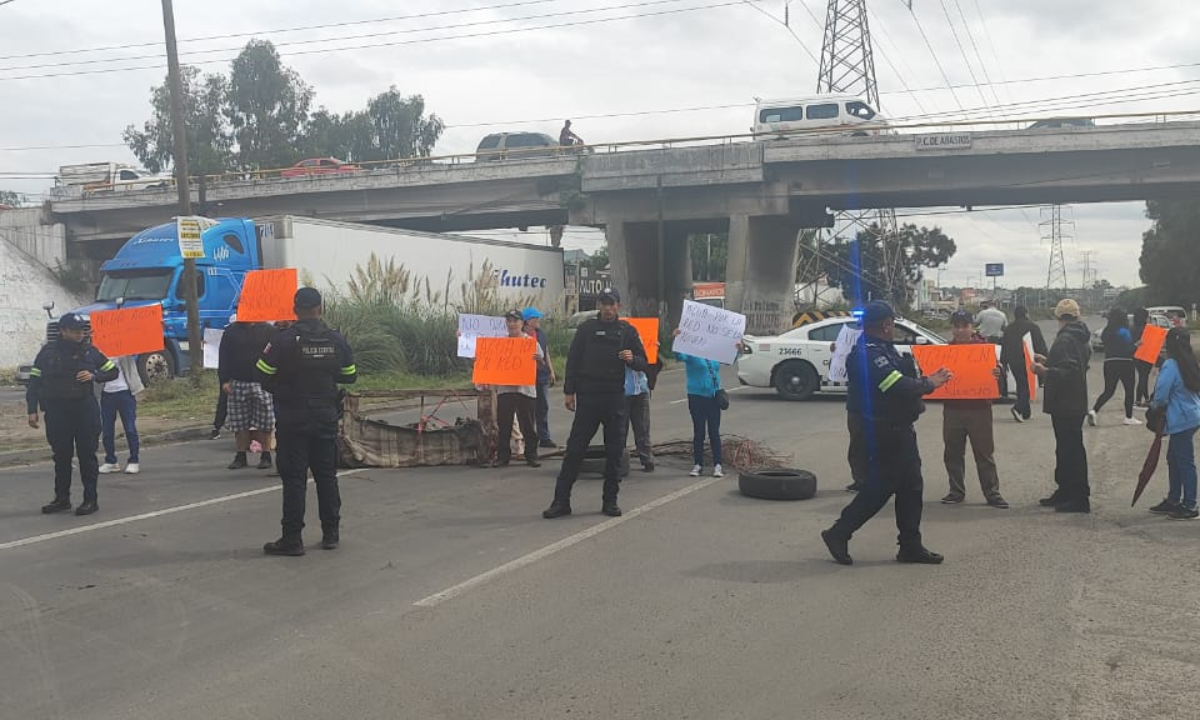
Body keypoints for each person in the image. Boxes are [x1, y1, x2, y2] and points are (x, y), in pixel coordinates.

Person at [820, 301, 952, 566]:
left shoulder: (882, 348)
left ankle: (910, 546)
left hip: (900, 427)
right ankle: (839, 532)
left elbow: (902, 378)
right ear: (887, 325)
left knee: (911, 487)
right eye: (892, 324)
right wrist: (929, 383)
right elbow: (895, 385)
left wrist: (924, 379)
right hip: (885, 430)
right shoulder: (868, 353)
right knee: (881, 487)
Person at [254, 288, 357, 556]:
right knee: (326, 476)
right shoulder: (336, 339)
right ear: (320, 309)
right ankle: (331, 534)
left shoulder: (283, 340)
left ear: (295, 309)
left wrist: (284, 385)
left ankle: (292, 539)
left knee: (294, 479)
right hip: (324, 417)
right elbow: (350, 375)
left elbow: (263, 374)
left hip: (292, 418)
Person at [542, 287, 648, 520]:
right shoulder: (586, 329)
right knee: (574, 451)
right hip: (588, 397)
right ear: (599, 305)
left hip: (614, 398)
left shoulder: (627, 331)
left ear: (618, 306)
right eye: (604, 304)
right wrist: (569, 392)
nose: (608, 308)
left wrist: (633, 359)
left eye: (612, 304)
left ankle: (610, 501)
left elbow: (645, 362)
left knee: (614, 453)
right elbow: (573, 361)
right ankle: (561, 502)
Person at [25, 312, 119, 516]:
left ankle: (90, 500)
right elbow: (34, 383)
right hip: (57, 412)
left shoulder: (90, 352)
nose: (80, 334)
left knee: (87, 457)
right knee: (61, 457)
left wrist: (95, 375)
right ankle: (62, 498)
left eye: (82, 331)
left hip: (84, 411)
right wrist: (32, 410)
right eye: (75, 331)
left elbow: (113, 371)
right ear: (63, 331)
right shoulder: (47, 353)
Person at [939, 311, 1008, 508]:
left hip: (979, 409)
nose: (960, 330)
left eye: (965, 325)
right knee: (952, 452)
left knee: (984, 453)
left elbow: (1000, 376)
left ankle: (992, 493)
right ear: (952, 328)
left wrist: (998, 372)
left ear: (972, 327)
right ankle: (956, 491)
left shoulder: (985, 349)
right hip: (953, 409)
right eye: (956, 326)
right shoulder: (945, 351)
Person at [1031, 298, 1092, 514]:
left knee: (1070, 450)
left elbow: (1069, 372)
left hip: (1066, 403)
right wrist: (1047, 361)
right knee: (1068, 449)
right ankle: (1066, 491)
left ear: (1058, 318)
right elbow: (1073, 366)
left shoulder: (1065, 339)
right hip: (1075, 401)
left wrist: (1044, 371)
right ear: (1077, 316)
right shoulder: (1081, 336)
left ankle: (1077, 497)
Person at [1146, 327, 1200, 520]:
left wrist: (1152, 405)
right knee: (1175, 458)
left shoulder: (1171, 364)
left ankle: (1189, 505)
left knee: (1184, 461)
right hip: (1192, 415)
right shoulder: (1190, 361)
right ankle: (1174, 499)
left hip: (1181, 419)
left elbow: (1161, 394)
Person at [219, 315, 277, 470]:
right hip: (238, 382)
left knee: (265, 422)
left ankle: (265, 455)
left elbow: (275, 355)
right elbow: (223, 357)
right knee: (239, 423)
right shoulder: (231, 331)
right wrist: (224, 380)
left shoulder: (268, 330)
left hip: (262, 383)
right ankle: (240, 455)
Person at [489, 309, 543, 468]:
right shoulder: (500, 343)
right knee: (504, 425)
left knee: (528, 424)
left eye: (515, 321)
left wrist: (538, 360)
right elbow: (489, 361)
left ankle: (531, 455)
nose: (512, 324)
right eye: (509, 321)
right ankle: (503, 457)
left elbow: (541, 366)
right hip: (505, 390)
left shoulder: (530, 343)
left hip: (526, 390)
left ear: (522, 323)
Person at [672, 328, 727, 478]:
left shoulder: (714, 354)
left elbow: (730, 358)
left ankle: (718, 464)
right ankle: (698, 464)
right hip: (696, 396)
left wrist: (738, 350)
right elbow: (678, 355)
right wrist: (676, 340)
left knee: (714, 432)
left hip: (713, 396)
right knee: (699, 432)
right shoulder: (691, 353)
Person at [1089, 307, 1140, 427]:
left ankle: (1094, 410)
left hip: (1109, 362)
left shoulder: (1106, 332)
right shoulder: (1124, 331)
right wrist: (1137, 345)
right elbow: (1128, 349)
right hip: (1125, 362)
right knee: (1129, 390)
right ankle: (1129, 417)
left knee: (1109, 390)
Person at [834, 319, 868, 492]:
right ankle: (860, 479)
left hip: (876, 405)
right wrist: (837, 352)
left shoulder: (880, 344)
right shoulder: (852, 342)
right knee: (857, 444)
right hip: (856, 404)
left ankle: (874, 480)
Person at [1000, 305, 1048, 423]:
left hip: (1013, 361)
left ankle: (1026, 413)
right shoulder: (1032, 326)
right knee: (1026, 385)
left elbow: (1004, 345)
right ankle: (1018, 408)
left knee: (1021, 384)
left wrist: (1003, 361)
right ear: (1026, 313)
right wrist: (1045, 358)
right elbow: (1040, 343)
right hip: (1028, 359)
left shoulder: (1009, 328)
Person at [98, 355, 143, 475]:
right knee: (106, 429)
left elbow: (136, 352)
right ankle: (111, 460)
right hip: (107, 394)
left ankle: (134, 460)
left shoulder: (125, 351)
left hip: (125, 392)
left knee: (130, 428)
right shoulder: (99, 352)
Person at [523, 306, 557, 449]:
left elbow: (546, 352)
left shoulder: (540, 334)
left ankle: (544, 437)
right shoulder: (519, 336)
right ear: (526, 321)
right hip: (525, 377)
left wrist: (551, 370)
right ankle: (528, 438)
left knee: (543, 407)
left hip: (541, 375)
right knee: (527, 409)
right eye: (535, 318)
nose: (538, 320)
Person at [623, 364, 655, 473]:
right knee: (620, 429)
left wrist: (651, 382)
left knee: (643, 427)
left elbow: (653, 364)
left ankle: (647, 459)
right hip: (622, 391)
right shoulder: (615, 347)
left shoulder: (643, 347)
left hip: (641, 390)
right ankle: (619, 461)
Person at [1132, 308, 1154, 408]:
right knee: (1144, 377)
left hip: (1136, 356)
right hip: (1147, 355)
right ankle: (1139, 399)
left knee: (1142, 376)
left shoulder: (1132, 328)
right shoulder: (1148, 328)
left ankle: (1145, 398)